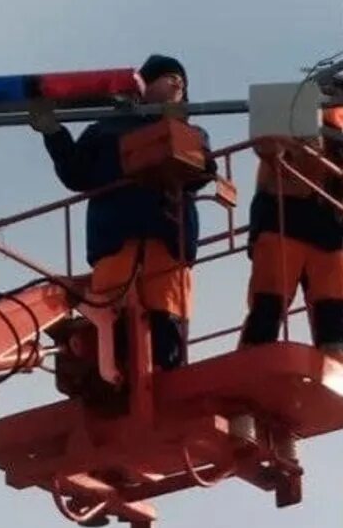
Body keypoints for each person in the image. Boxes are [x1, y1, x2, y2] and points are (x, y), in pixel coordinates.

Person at [31, 54, 213, 372]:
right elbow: (76, 173)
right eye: (166, 76)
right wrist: (53, 132)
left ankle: (167, 376)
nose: (176, 82)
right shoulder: (105, 131)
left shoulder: (189, 133)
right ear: (142, 86)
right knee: (112, 320)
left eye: (180, 79)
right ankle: (116, 377)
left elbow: (202, 173)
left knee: (167, 319)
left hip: (167, 240)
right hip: (116, 238)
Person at [237, 92, 343, 362]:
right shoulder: (292, 121)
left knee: (334, 309)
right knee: (270, 301)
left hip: (328, 234)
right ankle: (254, 361)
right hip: (285, 223)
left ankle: (336, 365)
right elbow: (266, 146)